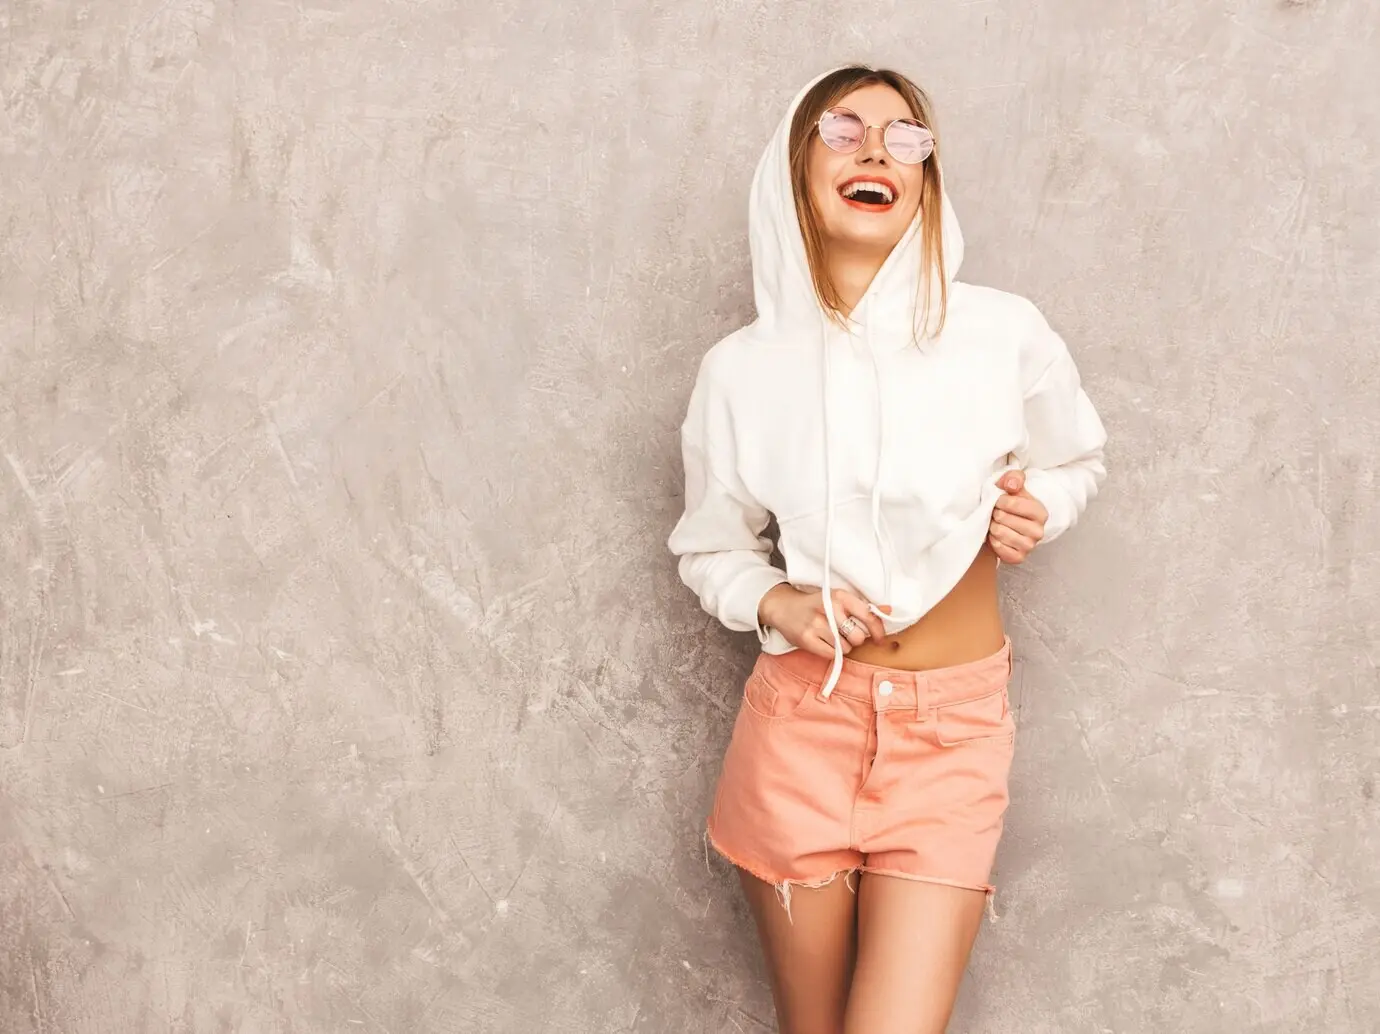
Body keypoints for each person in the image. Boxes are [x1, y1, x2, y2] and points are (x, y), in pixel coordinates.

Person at [666, 65, 1108, 1034]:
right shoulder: (740, 371)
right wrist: (776, 601)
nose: (877, 149)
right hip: (800, 728)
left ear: (926, 178)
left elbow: (1075, 458)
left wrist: (1039, 504)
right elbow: (709, 549)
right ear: (792, 168)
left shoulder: (1001, 331)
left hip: (951, 736)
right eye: (844, 129)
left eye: (907, 137)